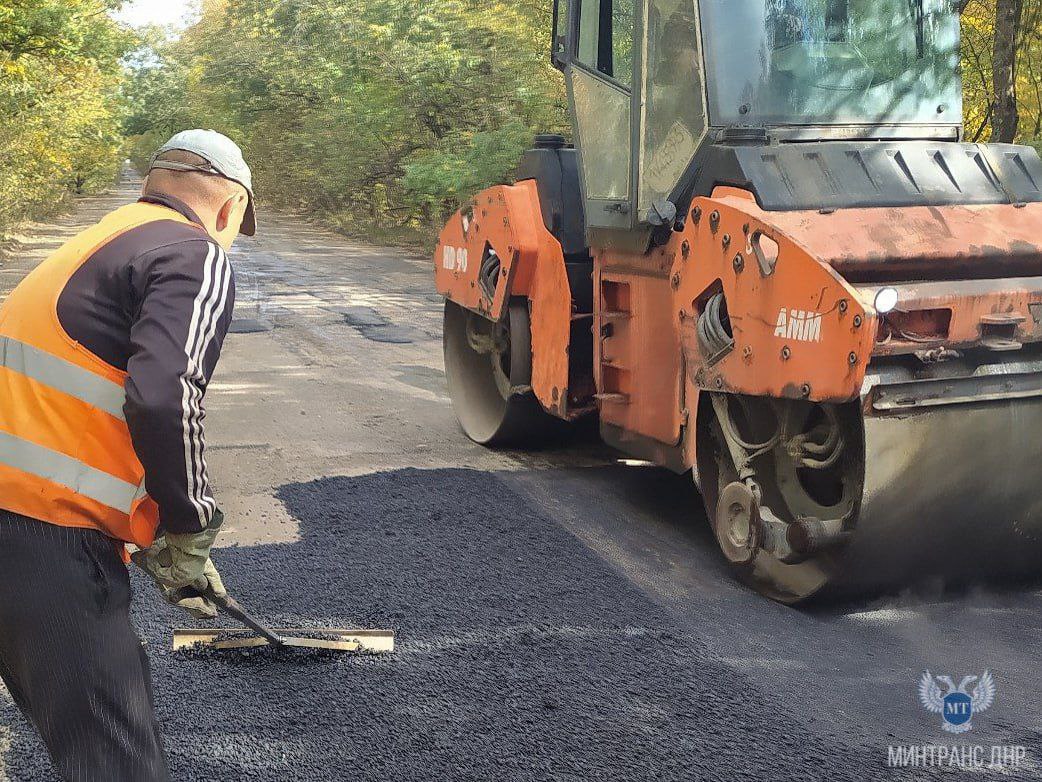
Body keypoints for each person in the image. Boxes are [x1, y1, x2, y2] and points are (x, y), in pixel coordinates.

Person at [0, 129, 256, 781]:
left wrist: (147, 530)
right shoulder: (193, 252)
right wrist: (189, 527)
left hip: (18, 518)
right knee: (114, 764)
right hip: (40, 537)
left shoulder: (103, 239)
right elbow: (166, 397)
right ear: (228, 207)